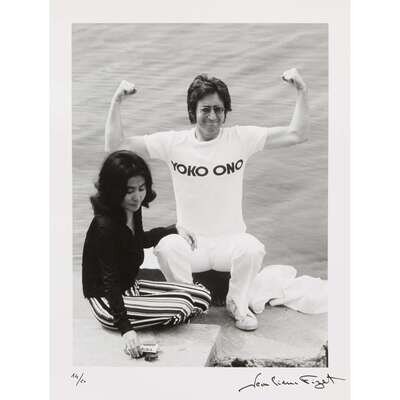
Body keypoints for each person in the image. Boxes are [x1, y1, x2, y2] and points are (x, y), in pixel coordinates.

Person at [104, 69, 309, 331]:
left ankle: (237, 303)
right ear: (193, 111)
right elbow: (116, 145)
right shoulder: (174, 143)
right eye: (205, 109)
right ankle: (188, 304)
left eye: (218, 109)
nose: (212, 116)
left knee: (253, 248)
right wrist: (117, 100)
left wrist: (302, 90)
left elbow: (296, 134)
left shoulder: (240, 139)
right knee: (166, 247)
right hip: (192, 245)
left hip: (229, 242)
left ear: (225, 111)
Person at [82, 150, 211, 358]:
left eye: (141, 188)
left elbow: (139, 240)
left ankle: (150, 313)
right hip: (107, 301)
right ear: (114, 190)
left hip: (131, 287)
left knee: (203, 296)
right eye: (129, 190)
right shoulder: (105, 227)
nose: (137, 197)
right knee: (184, 304)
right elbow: (109, 281)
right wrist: (126, 330)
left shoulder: (132, 209)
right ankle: (143, 320)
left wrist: (173, 229)